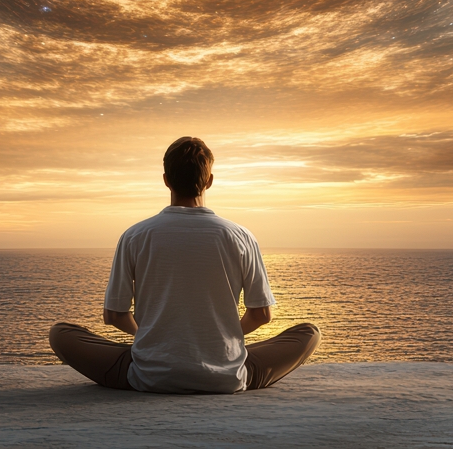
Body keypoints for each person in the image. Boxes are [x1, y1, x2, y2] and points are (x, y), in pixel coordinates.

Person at [49, 136, 320, 393]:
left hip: (149, 377)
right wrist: (220, 338)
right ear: (209, 181)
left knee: (61, 333)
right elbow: (261, 315)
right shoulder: (241, 236)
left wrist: (150, 338)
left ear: (166, 180)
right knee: (309, 333)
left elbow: (114, 316)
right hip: (226, 378)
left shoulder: (135, 235)